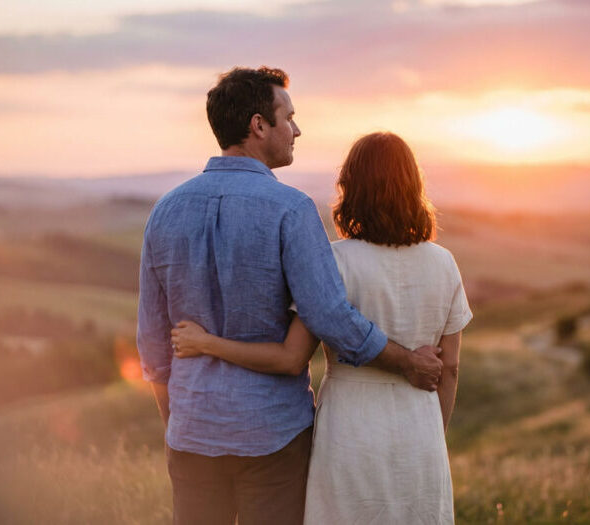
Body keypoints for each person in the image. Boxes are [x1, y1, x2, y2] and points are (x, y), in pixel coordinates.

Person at [136, 67, 443, 525]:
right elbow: (331, 316)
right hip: (273, 438)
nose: (296, 129)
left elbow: (153, 343)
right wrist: (409, 362)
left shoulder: (165, 211)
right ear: (259, 125)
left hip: (192, 435)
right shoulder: (291, 209)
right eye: (289, 117)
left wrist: (176, 425)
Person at [172, 131, 473, 524]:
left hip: (349, 429)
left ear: (350, 187)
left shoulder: (334, 260)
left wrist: (208, 342)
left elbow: (291, 355)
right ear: (414, 187)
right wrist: (434, 431)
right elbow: (449, 368)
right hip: (420, 429)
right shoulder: (444, 263)